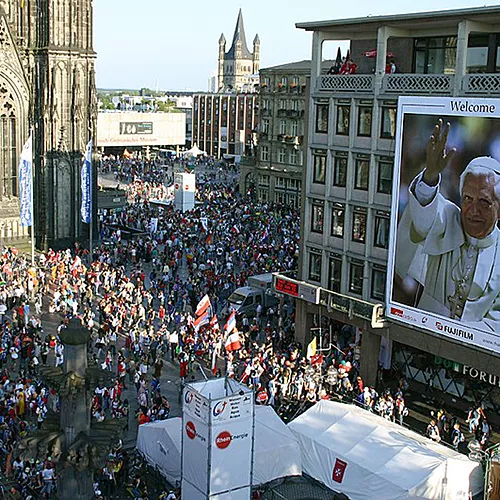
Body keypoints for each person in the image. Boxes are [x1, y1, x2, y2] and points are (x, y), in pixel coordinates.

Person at [396, 119, 500, 330]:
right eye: (467, 199)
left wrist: (459, 332)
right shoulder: (449, 219)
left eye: (484, 202)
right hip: (422, 333)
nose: (473, 211)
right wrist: (431, 175)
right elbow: (423, 218)